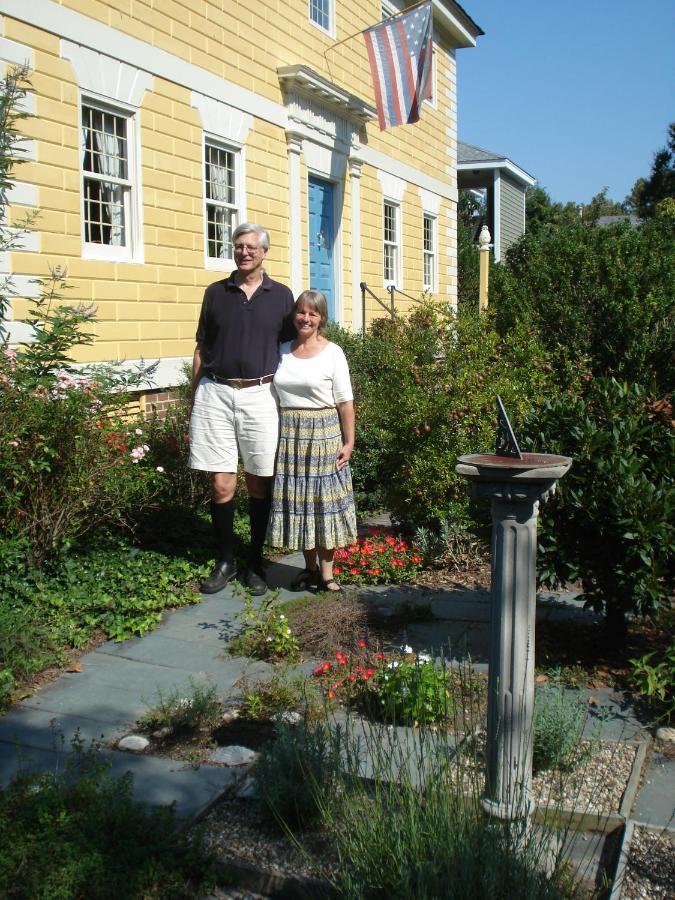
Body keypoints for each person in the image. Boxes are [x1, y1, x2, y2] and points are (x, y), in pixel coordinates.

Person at [189, 223, 294, 596]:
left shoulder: (281, 296)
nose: (244, 252)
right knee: (221, 483)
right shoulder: (215, 293)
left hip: (260, 396)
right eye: (238, 246)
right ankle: (226, 560)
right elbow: (202, 347)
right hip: (216, 393)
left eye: (251, 247)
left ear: (265, 252)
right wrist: (193, 396)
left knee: (259, 480)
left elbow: (292, 349)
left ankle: (255, 562)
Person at [267, 290, 357, 592]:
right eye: (301, 312)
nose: (306, 318)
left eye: (312, 313)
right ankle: (308, 568)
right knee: (299, 503)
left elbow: (345, 402)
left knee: (324, 504)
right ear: (295, 316)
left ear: (321, 319)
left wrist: (349, 442)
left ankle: (328, 573)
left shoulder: (333, 353)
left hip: (323, 435)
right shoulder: (281, 350)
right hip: (290, 436)